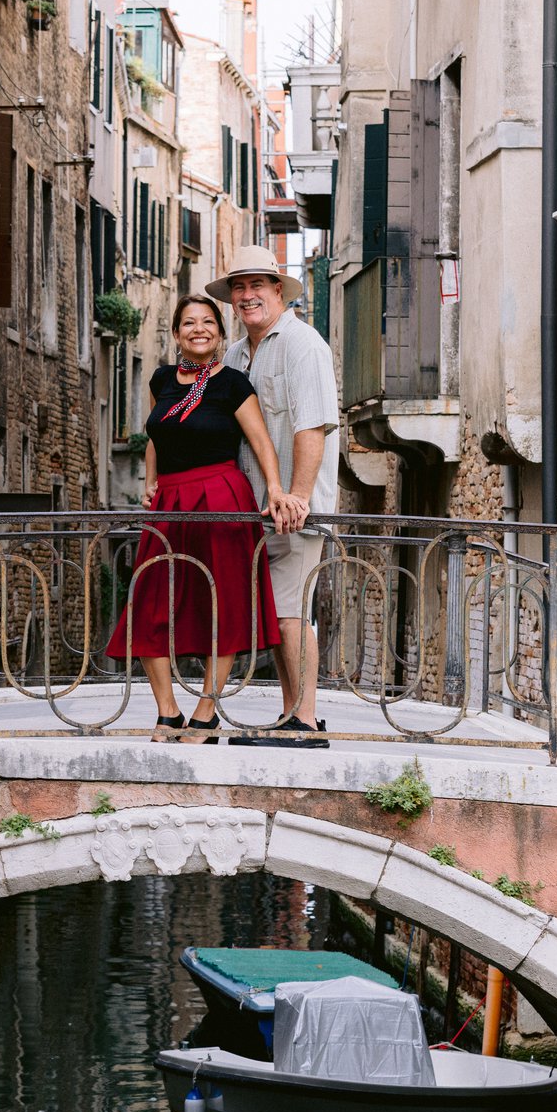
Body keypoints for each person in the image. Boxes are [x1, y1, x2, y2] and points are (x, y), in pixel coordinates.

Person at [103, 293, 301, 742]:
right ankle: (168, 712)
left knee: (223, 606)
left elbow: (261, 442)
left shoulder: (233, 383)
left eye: (208, 322)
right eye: (189, 322)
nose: (199, 329)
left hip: (221, 498)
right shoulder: (159, 379)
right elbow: (157, 432)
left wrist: (274, 489)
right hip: (170, 501)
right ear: (176, 333)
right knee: (150, 604)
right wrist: (150, 480)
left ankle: (206, 714)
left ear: (219, 331)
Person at [209, 246, 338, 748]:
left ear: (278, 291)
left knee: (290, 612)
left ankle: (304, 721)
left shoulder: (304, 346)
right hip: (255, 507)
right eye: (238, 288)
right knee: (278, 612)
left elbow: (312, 426)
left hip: (294, 509)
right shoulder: (237, 354)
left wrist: (299, 497)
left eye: (257, 285)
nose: (247, 296)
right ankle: (292, 713)